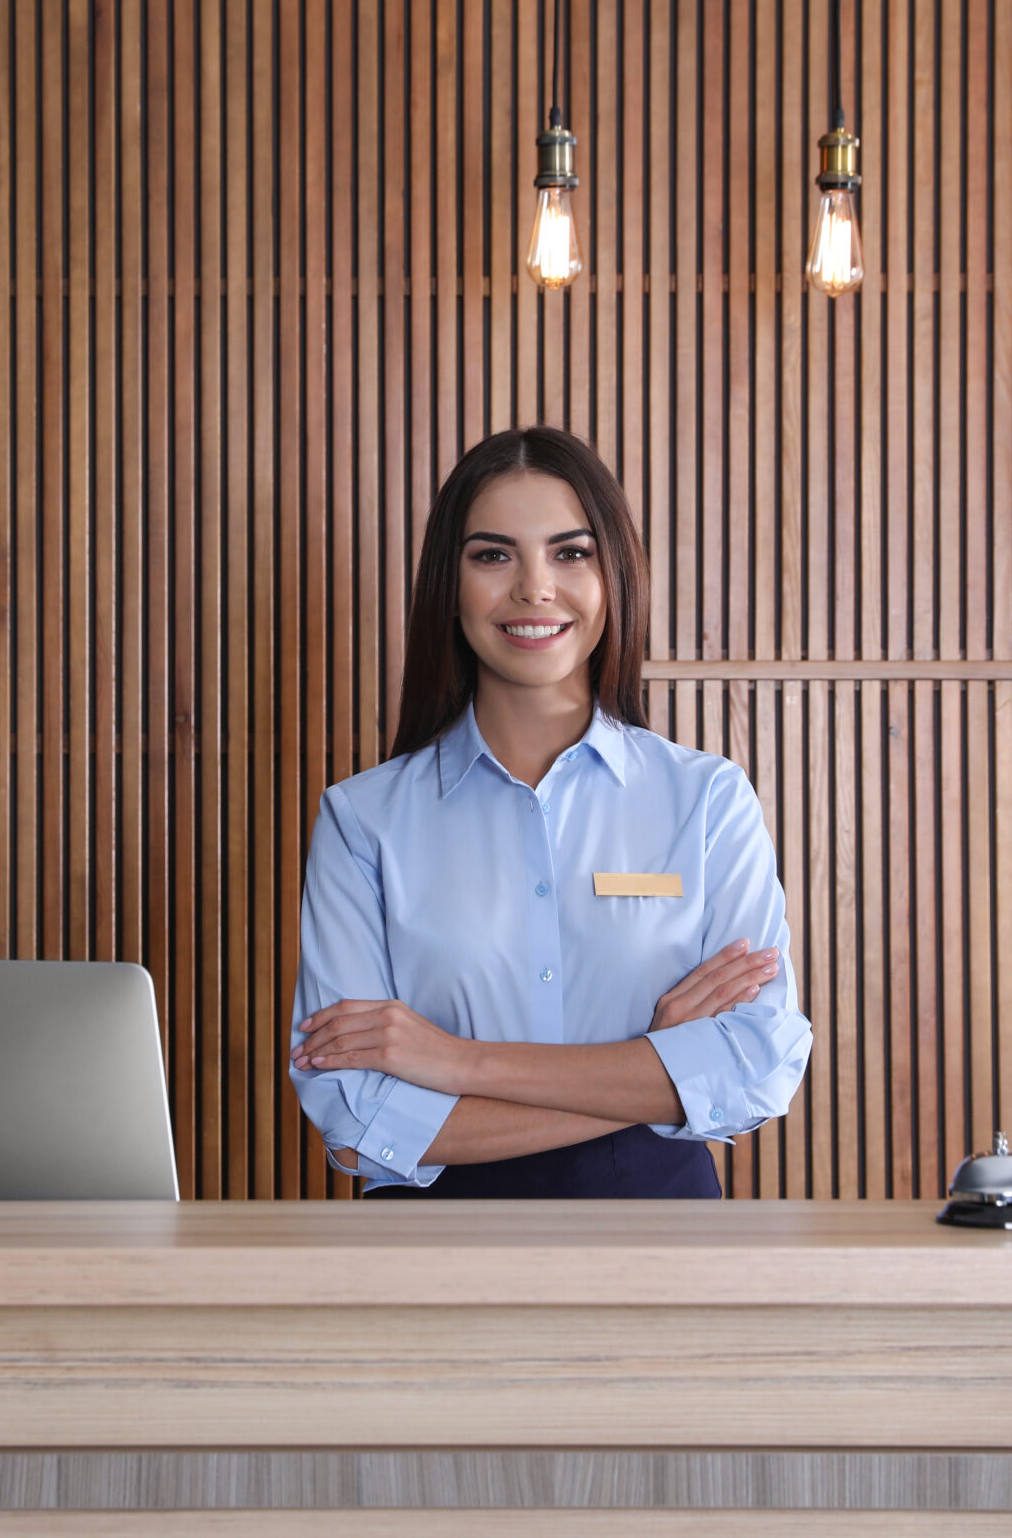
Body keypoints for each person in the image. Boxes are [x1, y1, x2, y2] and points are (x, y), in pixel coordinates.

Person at [287, 426, 810, 1198]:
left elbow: (755, 1065)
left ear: (614, 574)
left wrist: (456, 1060)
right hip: (429, 1244)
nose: (535, 588)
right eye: (493, 555)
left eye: (571, 552)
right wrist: (654, 1062)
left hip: (664, 1237)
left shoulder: (706, 800)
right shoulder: (361, 821)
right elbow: (357, 1116)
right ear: (449, 584)